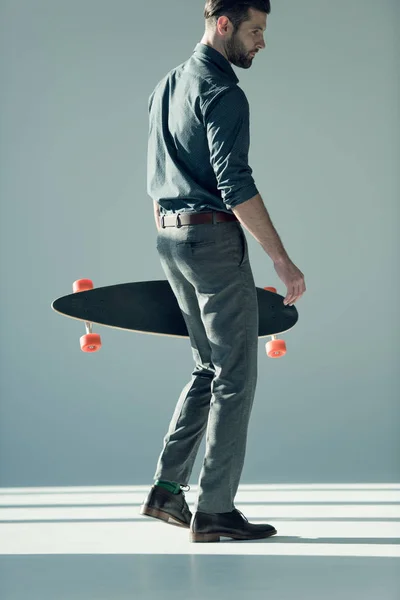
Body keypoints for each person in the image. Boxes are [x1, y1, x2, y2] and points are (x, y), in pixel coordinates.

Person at [140, 0, 306, 543]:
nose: (262, 42)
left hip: (170, 236)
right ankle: (214, 510)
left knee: (208, 367)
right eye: (255, 30)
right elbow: (234, 185)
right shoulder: (225, 93)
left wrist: (173, 235)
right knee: (236, 373)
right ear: (224, 24)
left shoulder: (167, 84)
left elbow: (155, 173)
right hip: (211, 238)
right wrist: (280, 258)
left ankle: (167, 491)